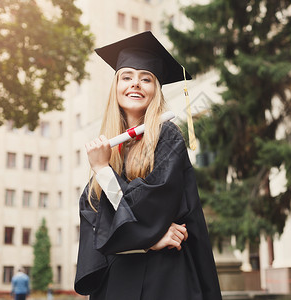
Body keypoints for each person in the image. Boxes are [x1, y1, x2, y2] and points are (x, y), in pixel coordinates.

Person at [74, 31, 222, 300]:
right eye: (127, 76)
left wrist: (104, 171)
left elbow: (149, 209)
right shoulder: (110, 149)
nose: (136, 84)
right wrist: (150, 239)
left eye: (146, 79)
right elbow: (94, 219)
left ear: (156, 89)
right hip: (118, 281)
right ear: (116, 85)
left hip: (164, 278)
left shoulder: (166, 137)